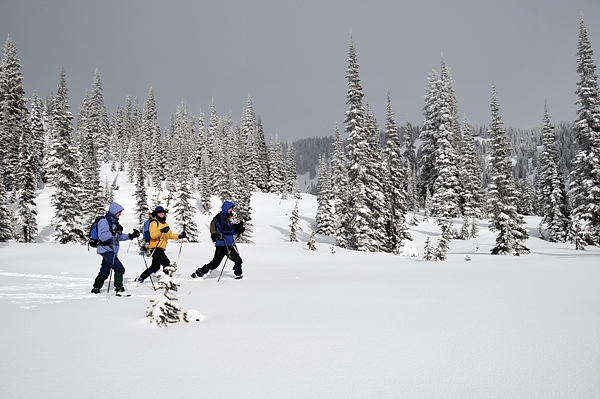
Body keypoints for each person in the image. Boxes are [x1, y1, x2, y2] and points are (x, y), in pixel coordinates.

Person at [91, 202, 140, 295]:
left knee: (105, 271)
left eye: (120, 212)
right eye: (119, 212)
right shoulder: (104, 221)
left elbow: (119, 237)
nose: (120, 214)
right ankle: (119, 288)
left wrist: (131, 236)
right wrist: (113, 232)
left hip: (111, 250)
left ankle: (96, 288)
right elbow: (102, 237)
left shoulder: (114, 222)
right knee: (119, 268)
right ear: (113, 211)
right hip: (105, 249)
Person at [191, 200, 245, 279]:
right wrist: (236, 228)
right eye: (230, 208)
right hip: (223, 244)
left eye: (232, 208)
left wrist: (238, 229)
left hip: (228, 244)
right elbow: (225, 229)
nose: (231, 210)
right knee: (215, 263)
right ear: (226, 208)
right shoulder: (221, 217)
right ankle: (199, 273)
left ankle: (239, 275)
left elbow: (228, 229)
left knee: (237, 260)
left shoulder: (225, 217)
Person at [137, 206, 186, 283]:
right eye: (159, 212)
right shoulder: (154, 222)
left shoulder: (165, 224)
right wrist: (161, 231)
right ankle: (166, 282)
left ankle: (141, 278)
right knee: (167, 264)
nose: (161, 214)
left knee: (155, 267)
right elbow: (152, 235)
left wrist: (179, 236)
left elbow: (170, 235)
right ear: (156, 214)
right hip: (155, 247)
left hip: (161, 248)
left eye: (163, 212)